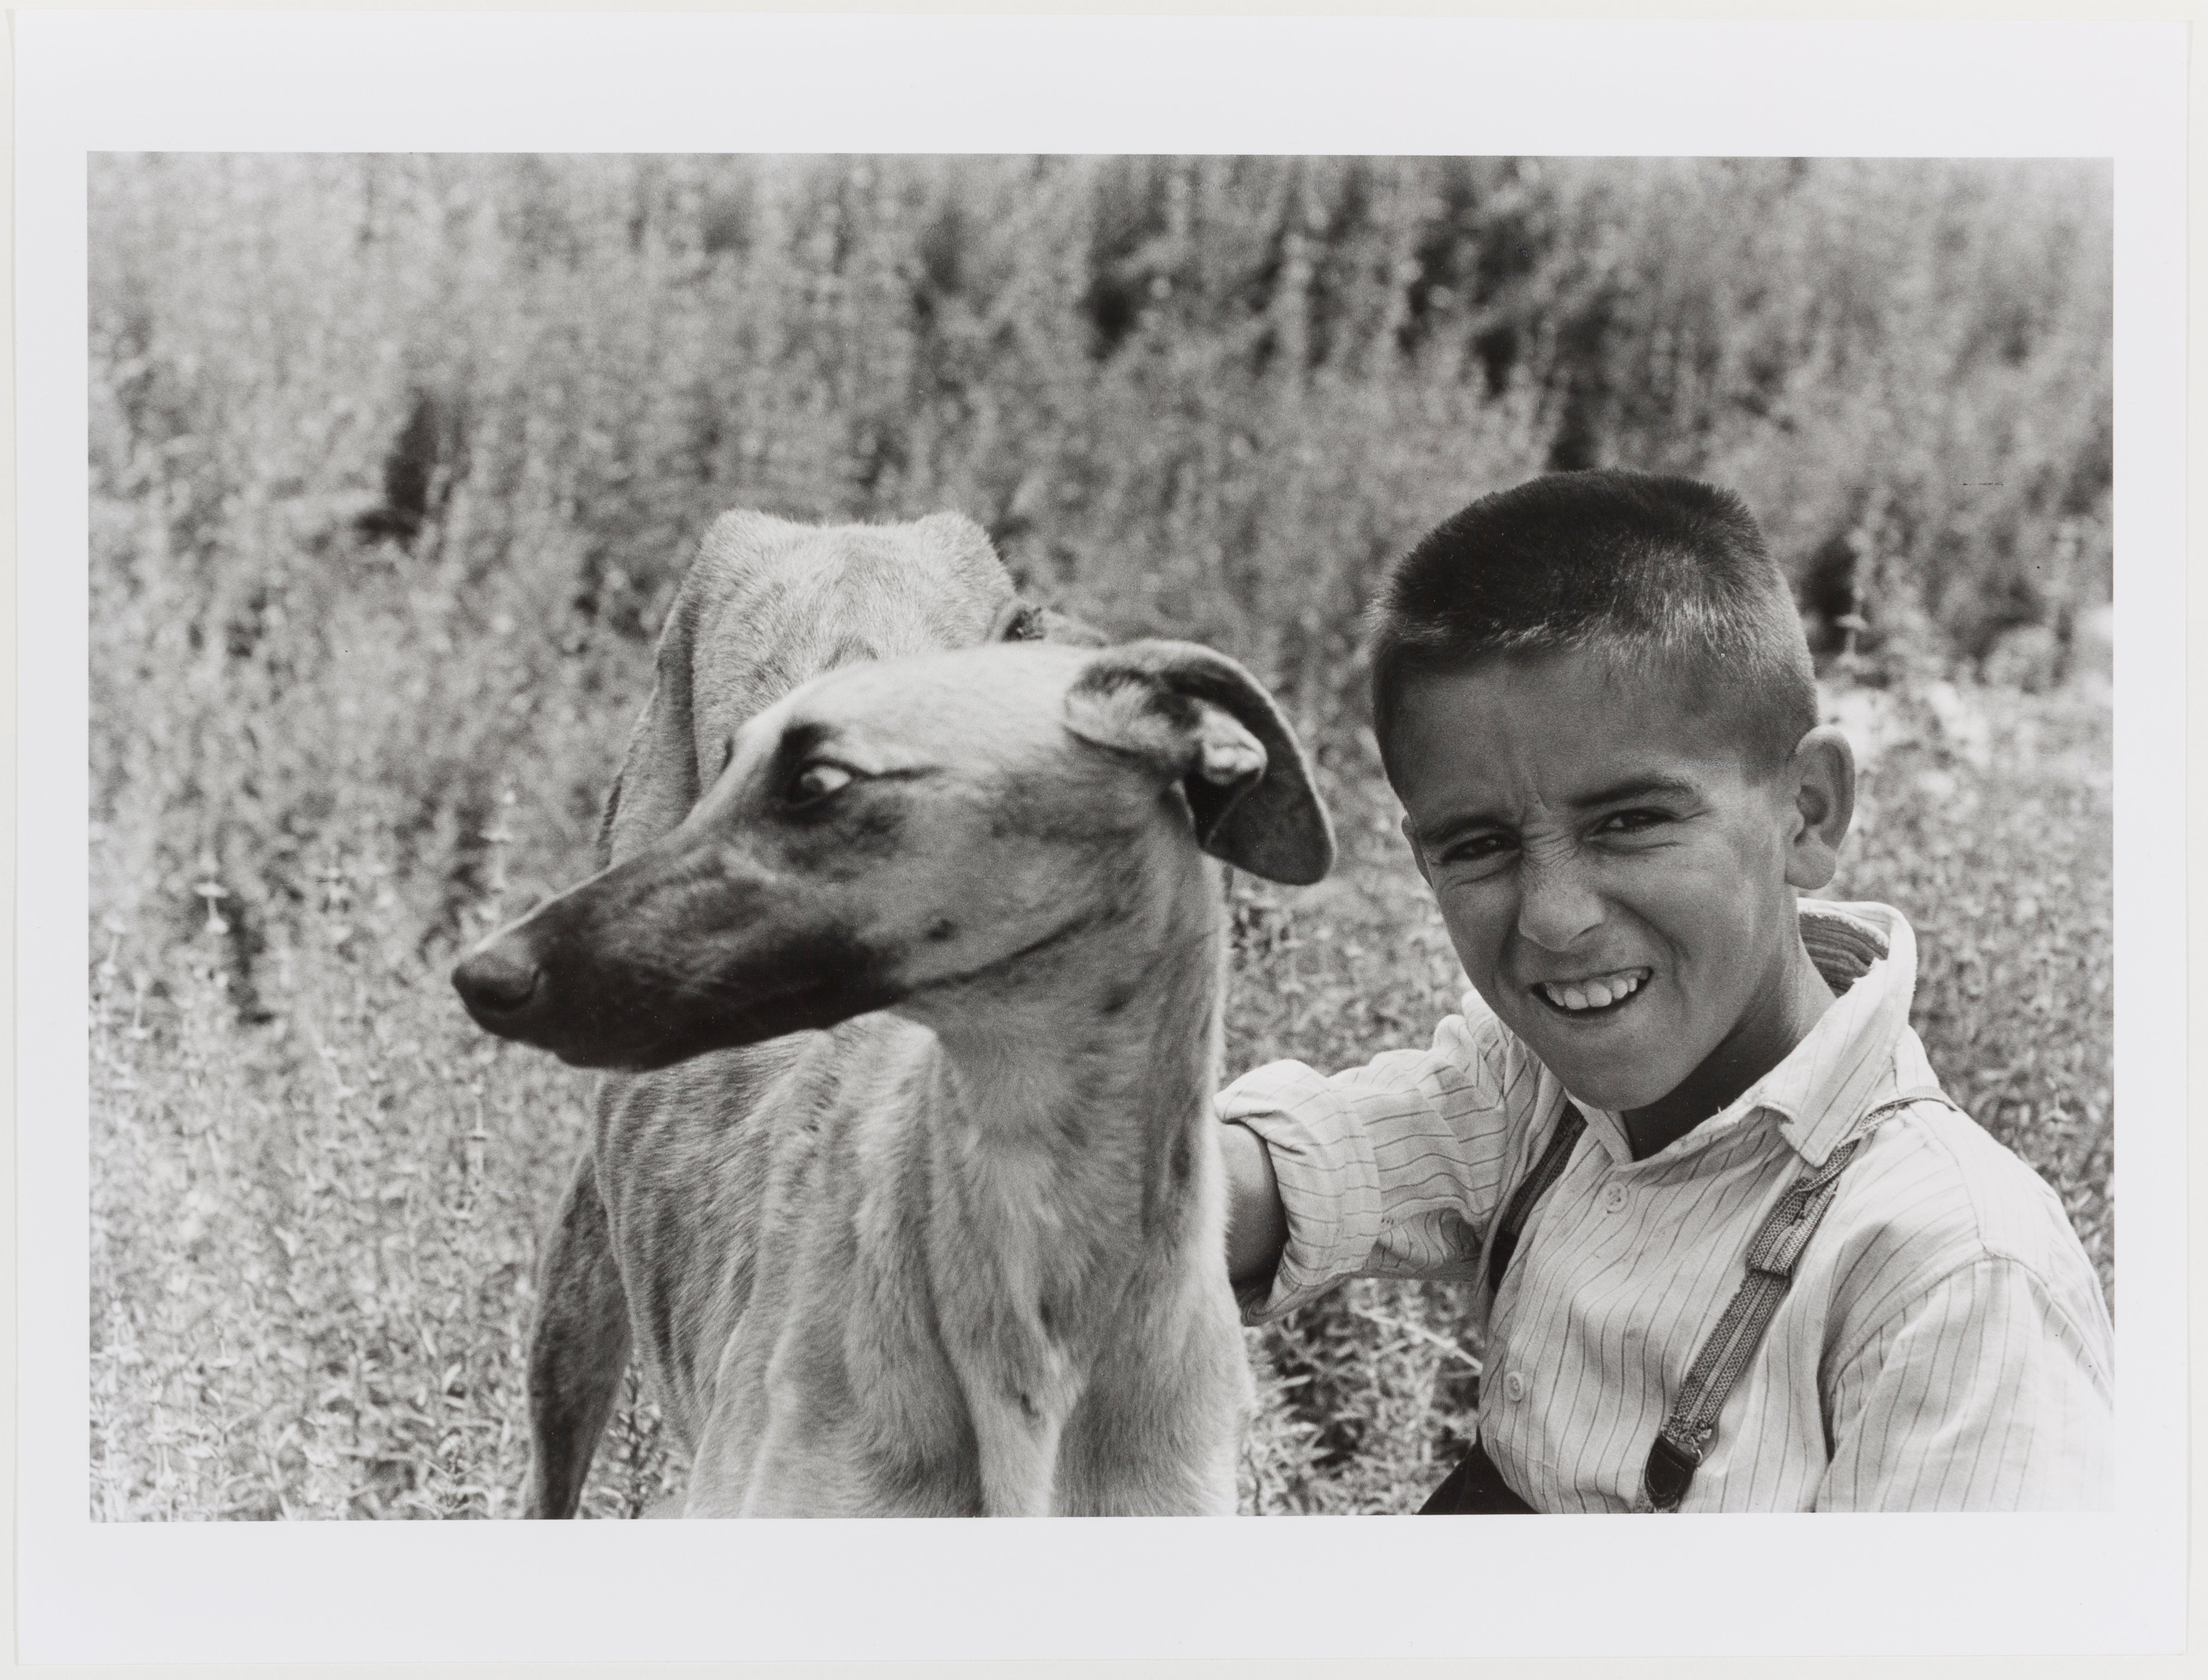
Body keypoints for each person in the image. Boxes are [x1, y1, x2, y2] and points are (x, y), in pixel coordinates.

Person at [1218, 471, 2114, 1512]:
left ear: (1807, 812)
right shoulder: (1537, 1093)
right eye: (1479, 845)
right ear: (1423, 859)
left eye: (1631, 821)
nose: (1553, 918)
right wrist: (1133, 1195)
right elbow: (1317, 1164)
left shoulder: (1949, 1272)